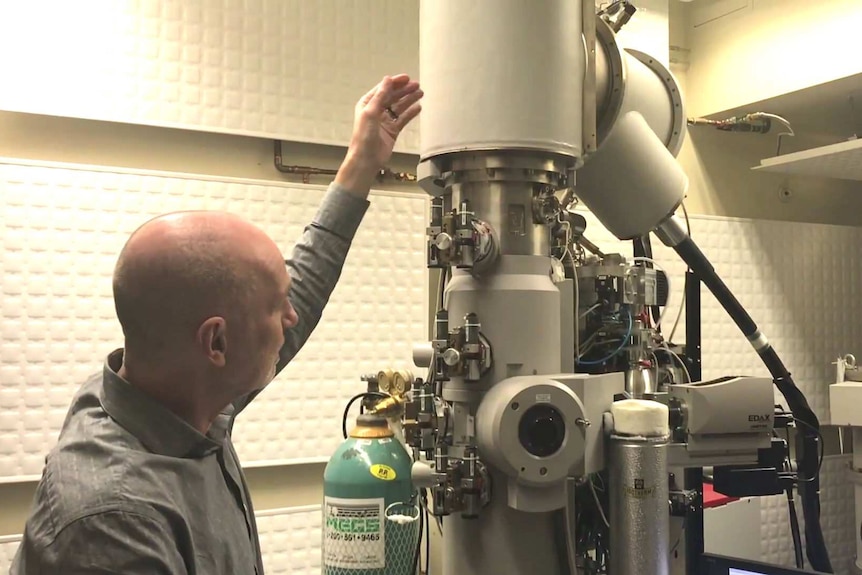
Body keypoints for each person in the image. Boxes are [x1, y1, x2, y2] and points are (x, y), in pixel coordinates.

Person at [10, 74, 423, 575]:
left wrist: (361, 162)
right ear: (217, 343)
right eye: (277, 307)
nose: (291, 320)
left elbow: (302, 292)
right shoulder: (115, 520)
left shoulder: (176, 400)